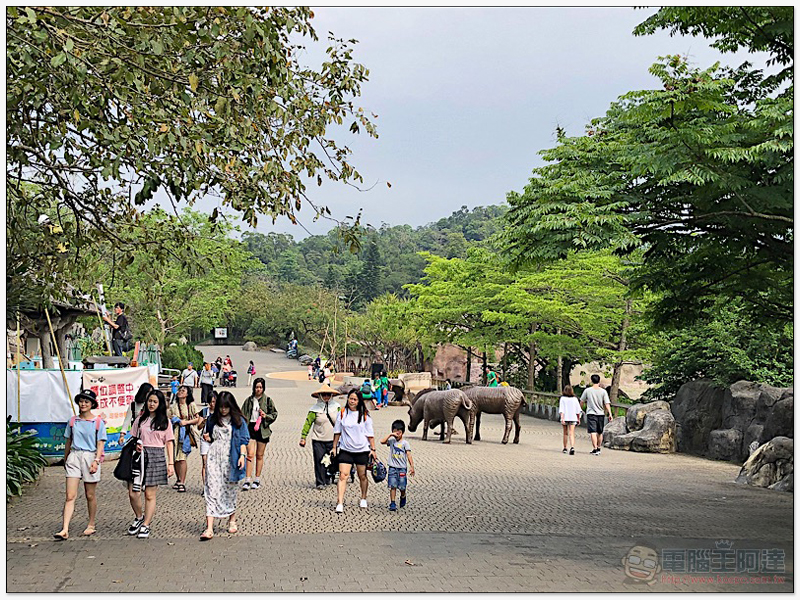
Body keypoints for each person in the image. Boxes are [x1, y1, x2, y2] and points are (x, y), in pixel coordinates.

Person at [53, 390, 107, 540]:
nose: (83, 404)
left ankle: (91, 524)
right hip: (74, 456)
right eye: (81, 401)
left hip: (90, 457)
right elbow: (68, 441)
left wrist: (96, 461)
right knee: (70, 495)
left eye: (87, 402)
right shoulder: (72, 421)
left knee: (90, 494)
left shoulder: (97, 422)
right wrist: (66, 458)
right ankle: (65, 528)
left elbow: (100, 443)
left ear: (92, 404)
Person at [200, 391, 249, 541]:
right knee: (212, 488)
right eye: (221, 407)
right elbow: (208, 436)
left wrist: (242, 456)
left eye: (226, 407)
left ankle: (231, 519)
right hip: (214, 457)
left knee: (229, 489)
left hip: (230, 457)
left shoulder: (238, 421)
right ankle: (209, 527)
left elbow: (243, 440)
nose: (223, 410)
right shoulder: (213, 419)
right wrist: (207, 438)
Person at [126, 389, 174, 539]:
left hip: (157, 456)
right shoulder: (140, 419)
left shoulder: (165, 422)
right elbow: (133, 437)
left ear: (160, 404)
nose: (151, 404)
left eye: (155, 402)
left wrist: (171, 463)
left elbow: (169, 442)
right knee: (133, 492)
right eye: (150, 401)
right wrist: (136, 446)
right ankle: (139, 517)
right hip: (139, 457)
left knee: (149, 494)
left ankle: (146, 524)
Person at [332, 389, 376, 513]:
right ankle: (340, 502)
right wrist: (334, 447)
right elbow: (337, 432)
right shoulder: (342, 413)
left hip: (361, 449)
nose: (352, 401)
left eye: (355, 399)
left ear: (359, 401)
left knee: (362, 476)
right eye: (350, 398)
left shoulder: (365, 415)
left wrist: (373, 449)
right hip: (346, 449)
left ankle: (363, 497)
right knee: (342, 475)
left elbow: (370, 434)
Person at [299, 383, 342, 489]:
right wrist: (303, 437)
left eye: (328, 394)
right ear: (320, 396)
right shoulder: (314, 409)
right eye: (324, 395)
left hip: (333, 439)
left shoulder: (336, 407)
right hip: (318, 439)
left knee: (331, 460)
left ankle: (327, 477)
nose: (326, 397)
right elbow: (308, 423)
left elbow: (342, 422)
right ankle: (320, 482)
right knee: (319, 461)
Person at [240, 377, 278, 490]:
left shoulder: (268, 400)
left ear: (263, 388)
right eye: (257, 387)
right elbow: (242, 413)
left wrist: (266, 416)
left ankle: (257, 479)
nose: (258, 389)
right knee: (250, 454)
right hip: (250, 428)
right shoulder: (249, 400)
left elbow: (275, 414)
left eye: (260, 387)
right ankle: (247, 479)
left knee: (259, 455)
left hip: (262, 428)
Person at [169, 385, 200, 492]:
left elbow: (197, 418)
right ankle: (178, 480)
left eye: (183, 391)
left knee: (182, 458)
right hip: (174, 434)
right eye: (180, 390)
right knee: (175, 458)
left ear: (187, 394)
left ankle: (182, 481)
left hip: (185, 433)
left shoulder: (190, 405)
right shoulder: (174, 406)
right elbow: (169, 417)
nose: (180, 392)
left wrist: (186, 422)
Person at [380, 419, 415, 512]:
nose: (397, 433)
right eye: (395, 431)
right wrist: (391, 435)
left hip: (402, 468)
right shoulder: (391, 441)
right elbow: (382, 442)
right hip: (392, 468)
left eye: (399, 431)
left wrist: (412, 466)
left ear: (402, 432)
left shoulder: (405, 443)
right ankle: (392, 502)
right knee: (393, 485)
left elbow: (408, 454)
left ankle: (403, 495)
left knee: (402, 487)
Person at [580, 374, 614, 455]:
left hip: (591, 413)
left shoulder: (587, 391)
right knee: (600, 432)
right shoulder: (603, 391)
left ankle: (595, 448)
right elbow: (607, 403)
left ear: (592, 380)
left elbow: (582, 401)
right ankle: (599, 447)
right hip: (600, 414)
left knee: (593, 432)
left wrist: (580, 410)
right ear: (599, 380)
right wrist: (610, 414)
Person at [198, 391, 217, 496]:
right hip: (205, 439)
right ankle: (206, 487)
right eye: (210, 402)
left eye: (214, 402)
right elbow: (198, 427)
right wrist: (204, 421)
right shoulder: (204, 411)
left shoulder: (220, 412)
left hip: (216, 440)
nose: (212, 404)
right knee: (205, 463)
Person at [559, 385, 583, 455]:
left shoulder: (562, 399)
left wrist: (562, 418)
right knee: (571, 433)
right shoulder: (575, 399)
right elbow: (578, 410)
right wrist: (578, 419)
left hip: (565, 417)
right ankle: (572, 446)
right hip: (573, 417)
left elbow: (561, 410)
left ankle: (565, 447)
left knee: (565, 433)